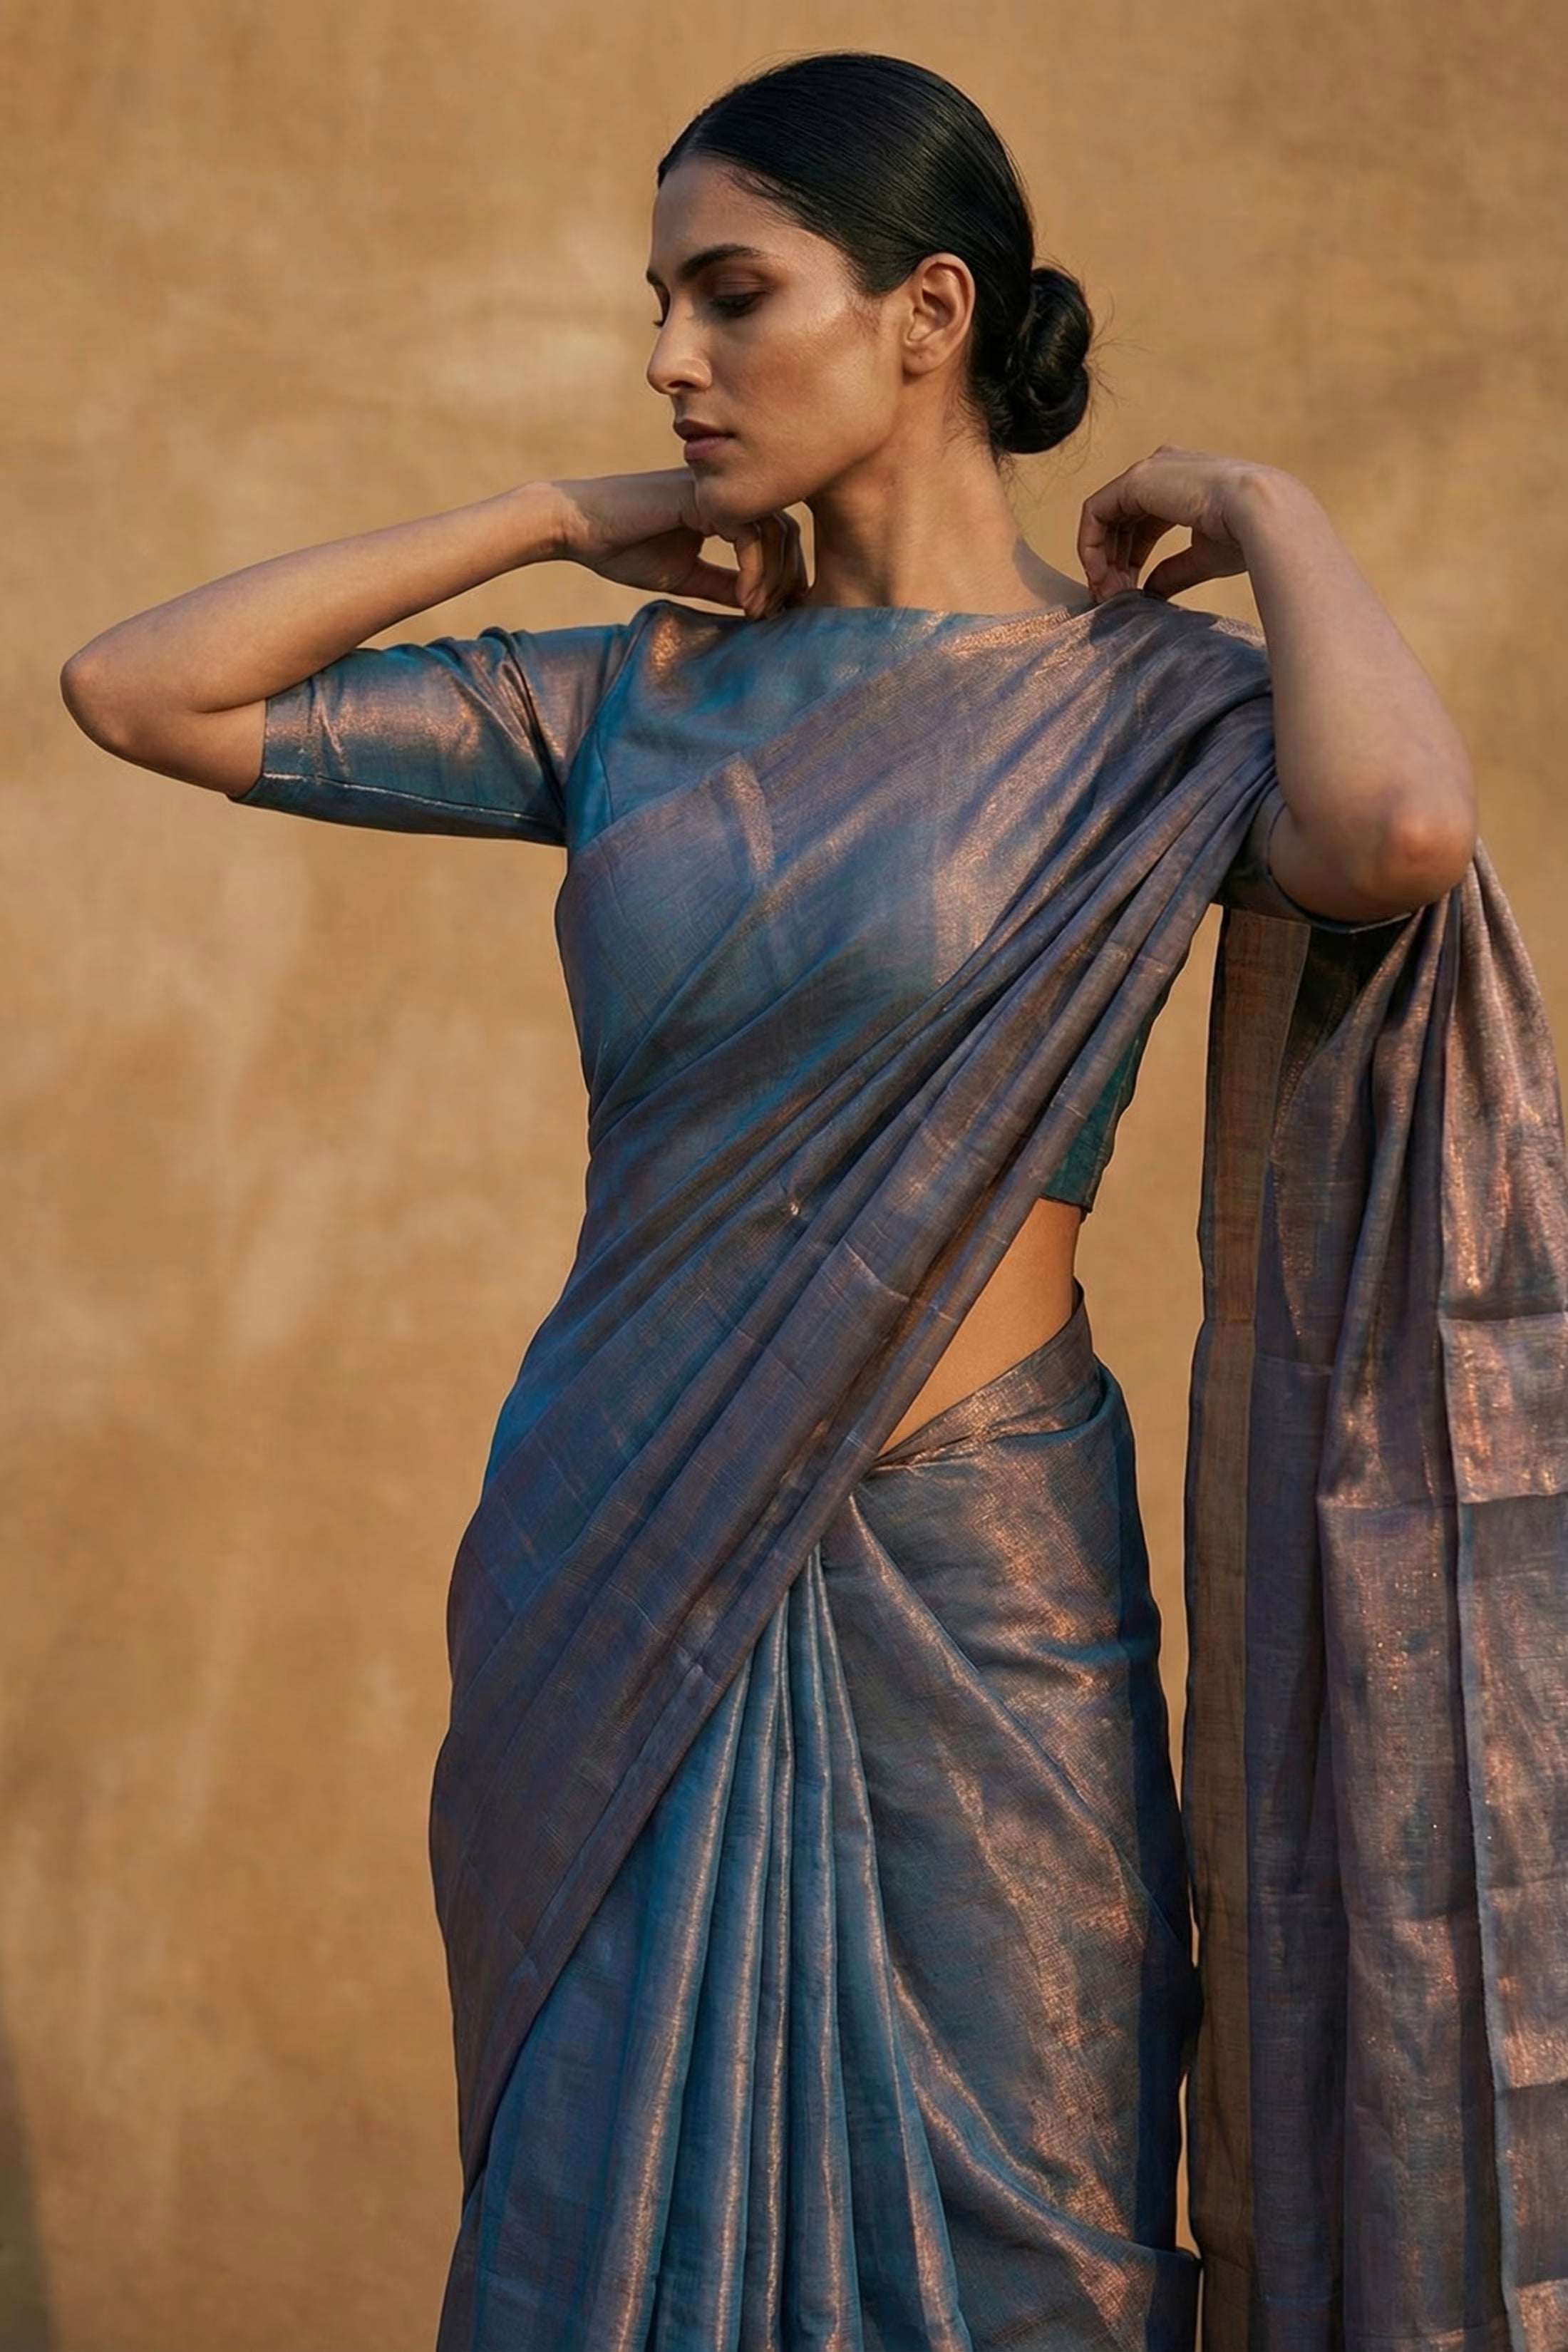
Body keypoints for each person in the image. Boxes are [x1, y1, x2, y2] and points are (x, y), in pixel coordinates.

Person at [60, 47, 1568, 2352]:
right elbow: (140, 690)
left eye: (730, 292)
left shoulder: (1149, 710)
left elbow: (1396, 838)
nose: (671, 355)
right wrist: (559, 517)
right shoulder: (635, 701)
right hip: (615, 1559)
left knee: (1038, 2234)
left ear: (927, 310)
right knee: (604, 2246)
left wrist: (1264, 506)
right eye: (656, 302)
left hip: (983, 1587)